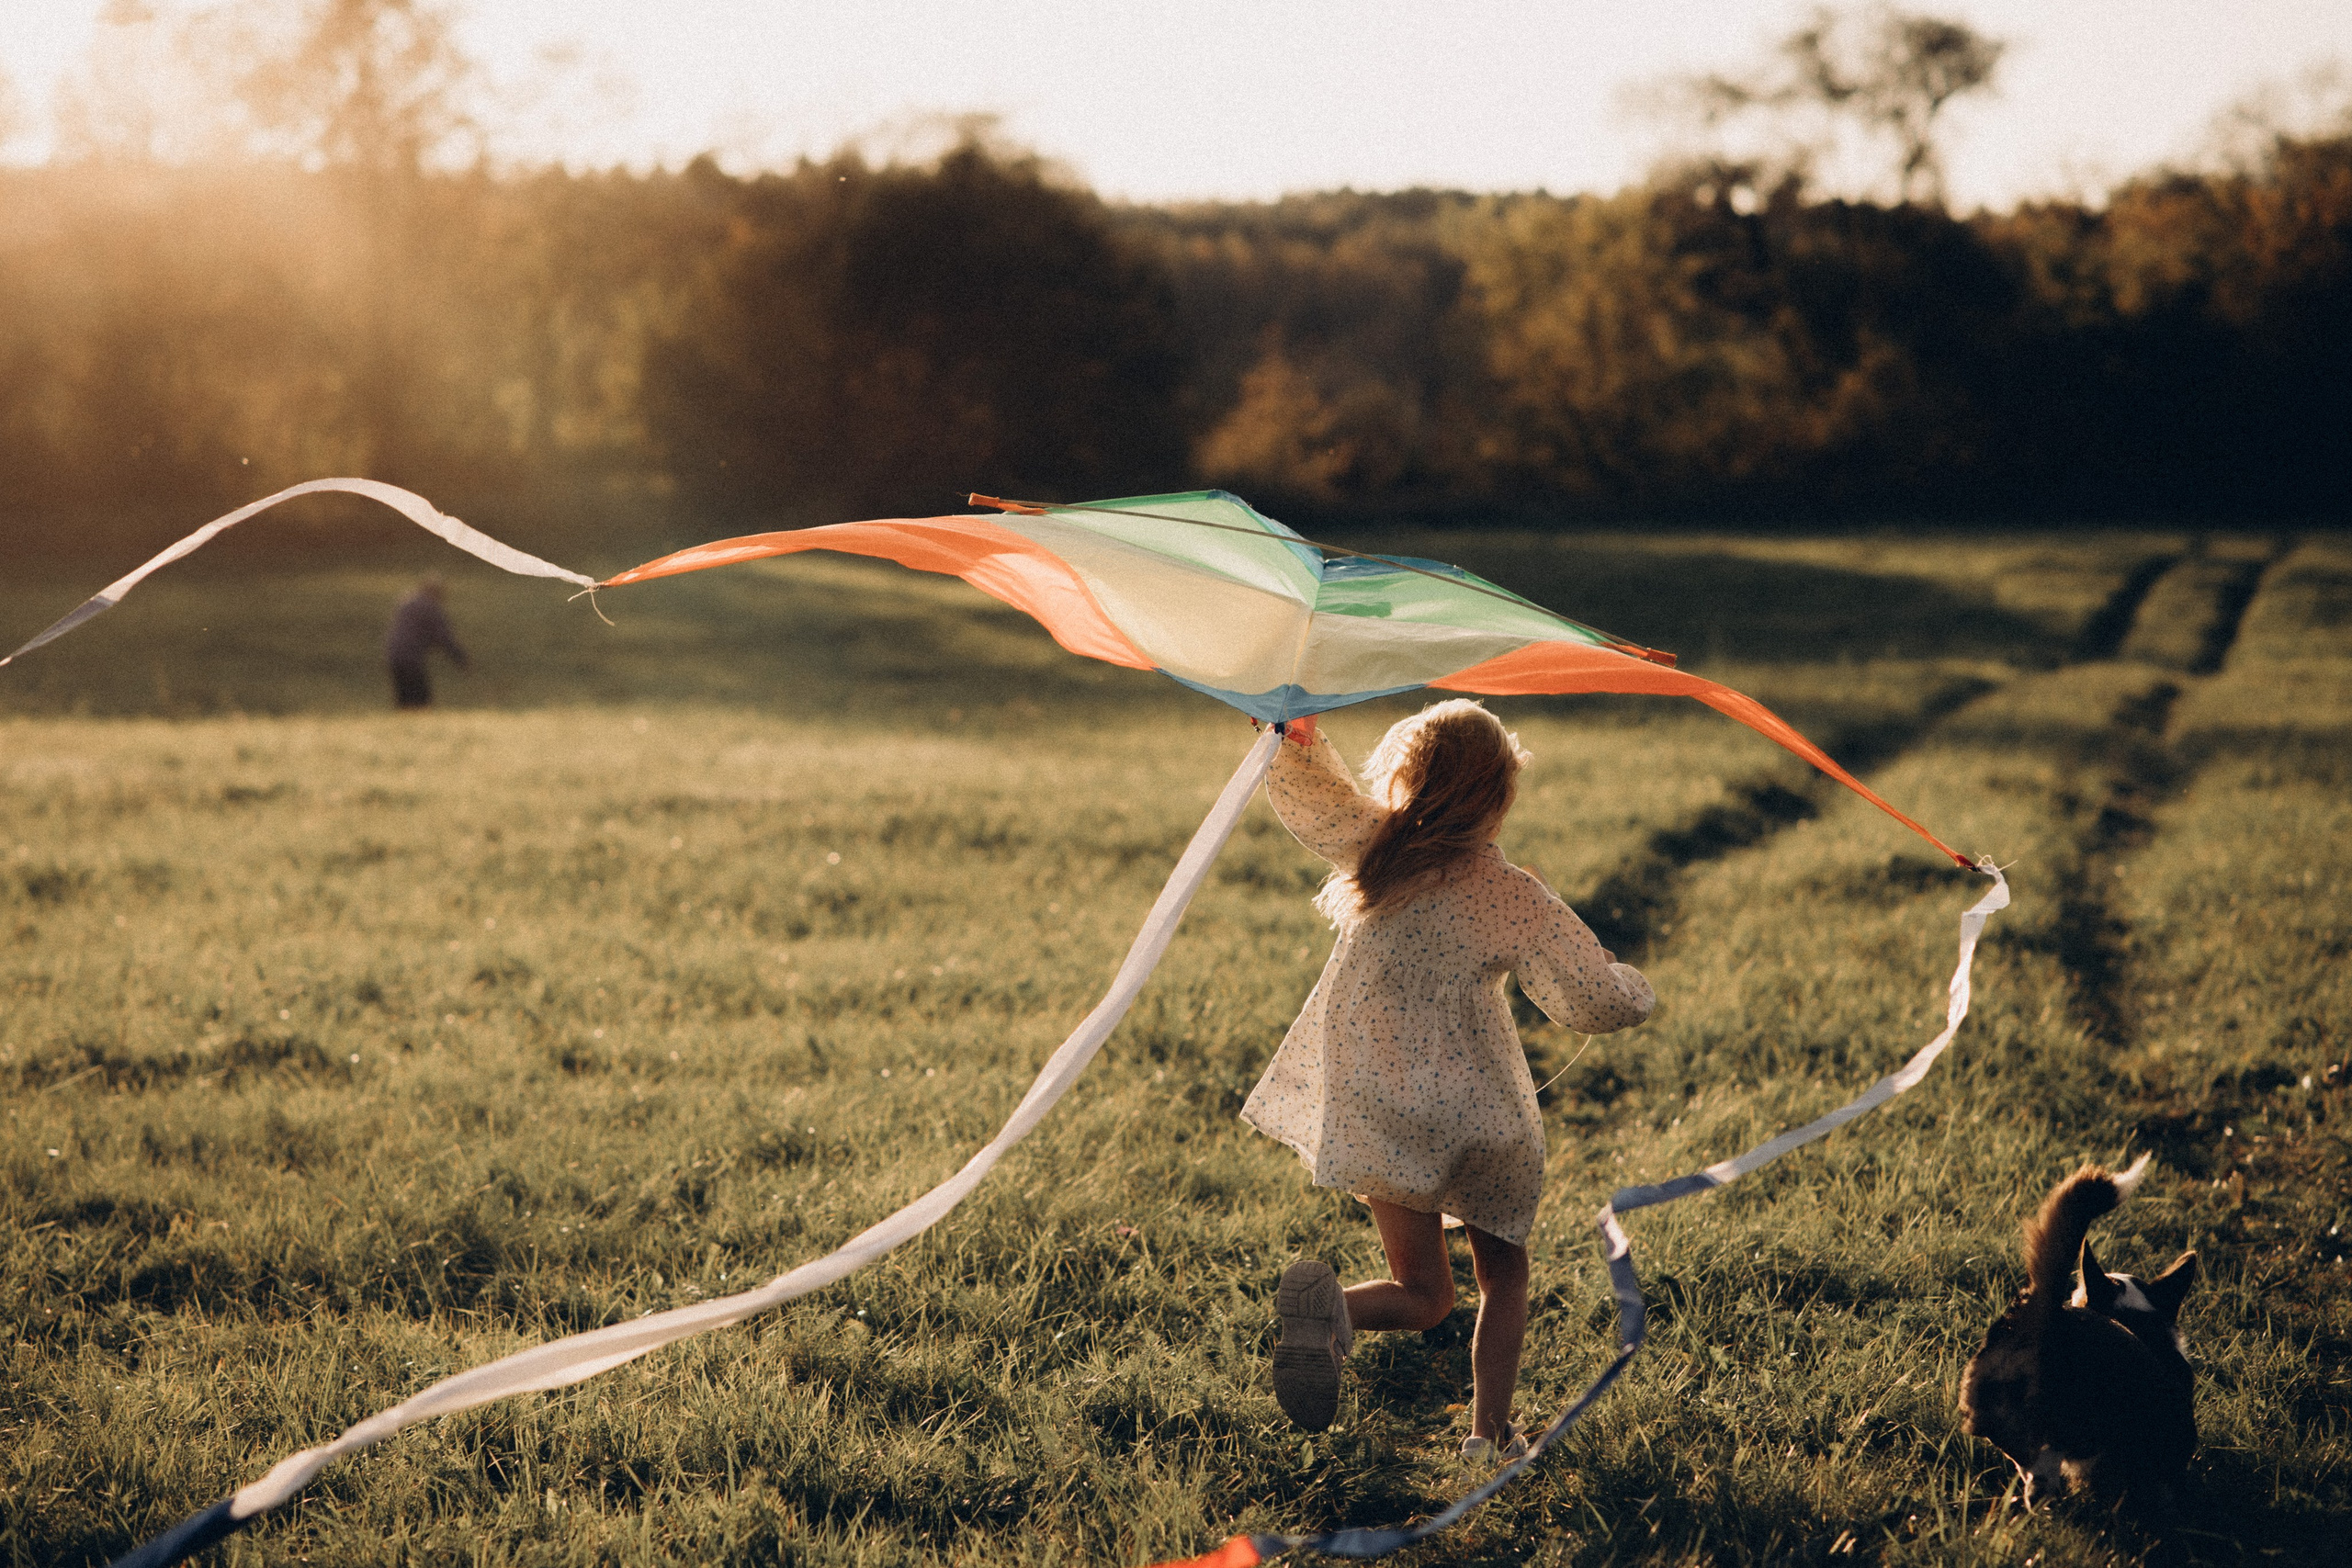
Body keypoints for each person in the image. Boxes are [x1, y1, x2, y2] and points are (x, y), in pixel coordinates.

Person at [1244, 700, 1656, 1460]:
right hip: (1481, 1121)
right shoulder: (1512, 892)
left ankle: (1330, 1306)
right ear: (1500, 796)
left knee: (1424, 1292)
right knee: (1500, 1280)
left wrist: (1295, 741)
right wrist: (1635, 989)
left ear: (1405, 780)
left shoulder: (1377, 846)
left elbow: (1318, 803)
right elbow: (1588, 993)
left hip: (1378, 1109)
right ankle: (1488, 1435)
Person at [384, 577, 467, 709]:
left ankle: (403, 726)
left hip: (393, 655)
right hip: (411, 658)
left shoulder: (407, 601)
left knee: (404, 699)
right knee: (421, 701)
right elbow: (444, 637)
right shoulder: (430, 607)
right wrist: (460, 658)